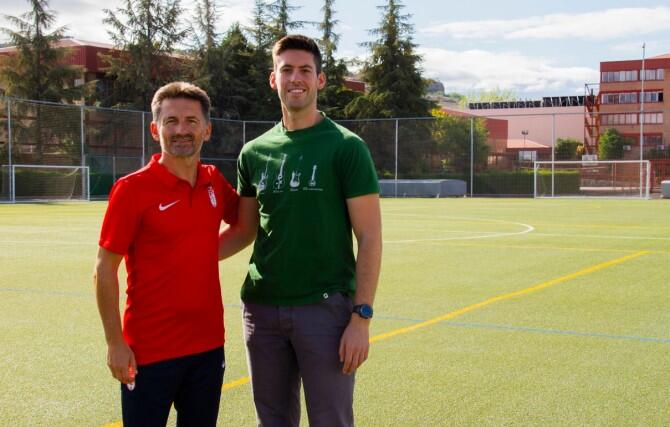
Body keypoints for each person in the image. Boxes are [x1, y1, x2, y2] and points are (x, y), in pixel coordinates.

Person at [219, 34, 382, 427]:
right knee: (272, 421)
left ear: (320, 80)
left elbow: (370, 237)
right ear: (272, 80)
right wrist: (183, 255)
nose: (296, 78)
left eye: (305, 70)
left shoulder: (346, 147)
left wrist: (360, 318)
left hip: (325, 311)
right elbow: (244, 229)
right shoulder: (253, 153)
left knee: (331, 420)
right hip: (262, 309)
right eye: (286, 70)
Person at [94, 81, 239, 426]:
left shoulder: (213, 180)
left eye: (191, 121)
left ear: (207, 130)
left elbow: (246, 227)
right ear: (155, 129)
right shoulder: (132, 190)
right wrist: (115, 343)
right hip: (148, 352)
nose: (181, 130)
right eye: (171, 121)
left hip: (207, 348)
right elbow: (103, 269)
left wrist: (203, 254)